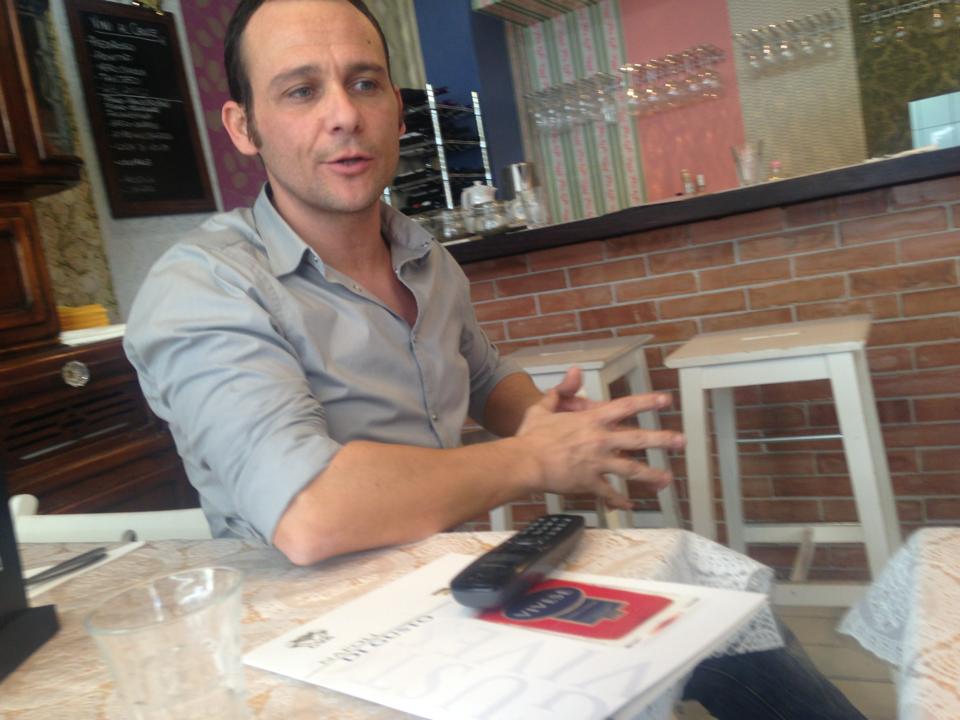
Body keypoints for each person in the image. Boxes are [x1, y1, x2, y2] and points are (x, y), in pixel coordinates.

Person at [124, 2, 866, 718]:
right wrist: (534, 460)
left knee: (721, 619)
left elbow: (480, 373)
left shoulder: (424, 256)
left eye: (364, 82)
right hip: (311, 637)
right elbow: (309, 514)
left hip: (457, 585)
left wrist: (549, 423)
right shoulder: (205, 286)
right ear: (244, 127)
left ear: (396, 108)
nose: (343, 114)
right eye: (301, 91)